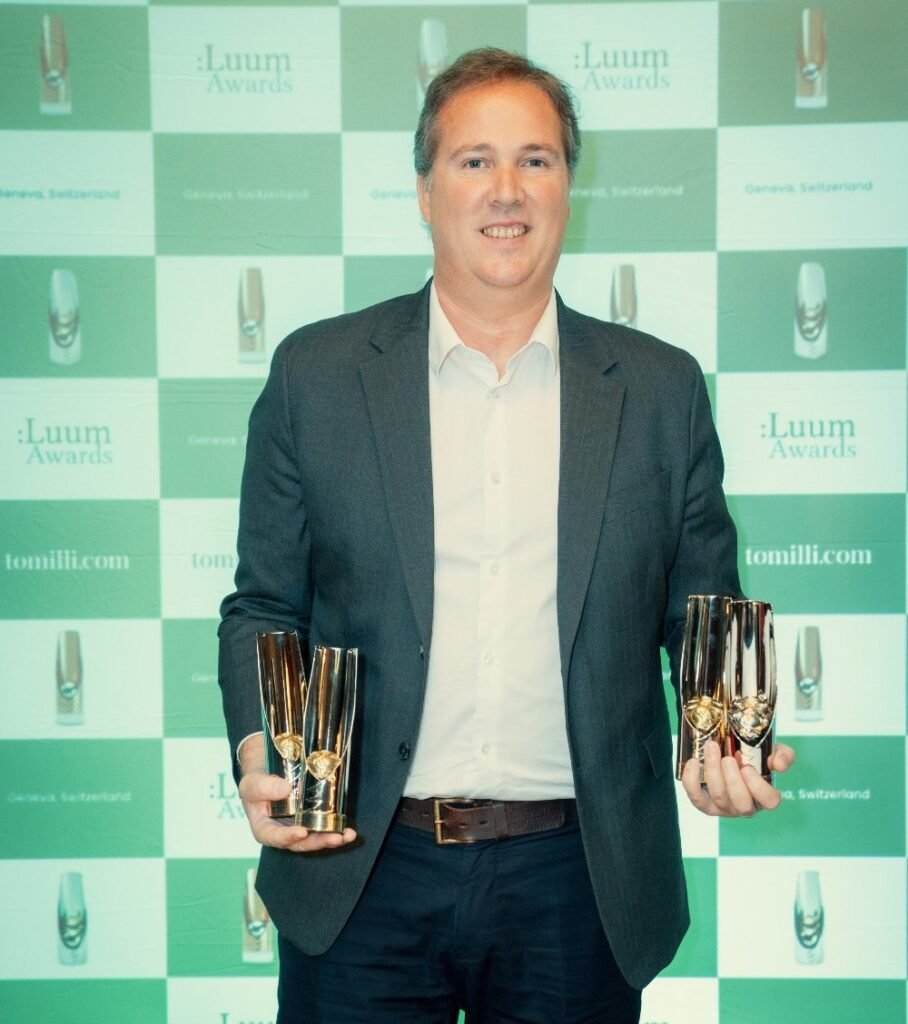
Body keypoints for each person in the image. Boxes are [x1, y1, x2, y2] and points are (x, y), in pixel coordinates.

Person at [218, 47, 794, 1024]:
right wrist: (256, 751)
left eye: (535, 160)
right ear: (424, 191)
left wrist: (728, 748)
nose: (507, 190)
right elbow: (264, 605)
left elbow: (704, 608)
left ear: (567, 186)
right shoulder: (317, 375)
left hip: (578, 881)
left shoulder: (658, 389)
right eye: (474, 160)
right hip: (357, 868)